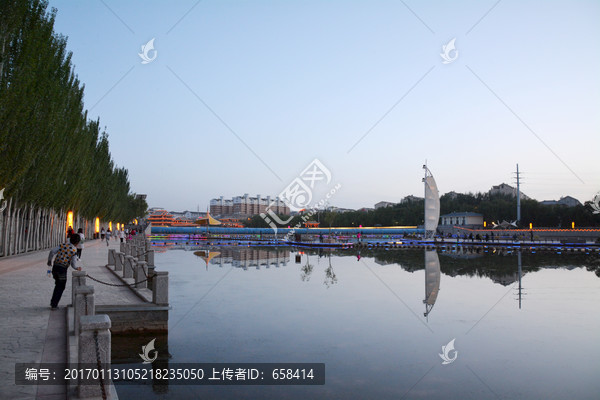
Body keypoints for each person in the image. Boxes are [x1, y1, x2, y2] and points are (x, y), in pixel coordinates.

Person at [47, 233, 82, 309]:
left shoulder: (62, 245)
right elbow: (73, 264)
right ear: (77, 242)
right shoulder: (74, 250)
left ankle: (53, 302)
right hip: (62, 269)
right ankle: (54, 304)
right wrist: (77, 268)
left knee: (58, 285)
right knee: (61, 286)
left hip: (55, 267)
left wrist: (50, 261)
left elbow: (52, 251)